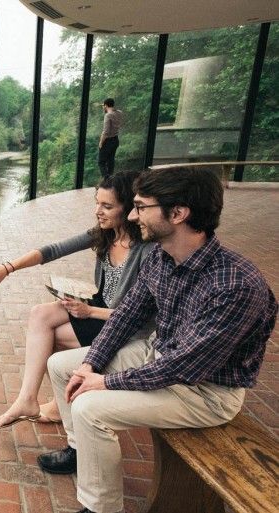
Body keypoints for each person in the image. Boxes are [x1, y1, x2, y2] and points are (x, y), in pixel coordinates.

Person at [39, 167, 277, 513]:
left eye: (140, 206)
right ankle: (80, 451)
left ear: (178, 213)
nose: (133, 216)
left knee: (90, 408)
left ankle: (100, 508)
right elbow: (127, 316)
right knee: (62, 366)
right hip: (157, 357)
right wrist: (90, 364)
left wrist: (105, 382)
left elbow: (184, 367)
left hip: (205, 392)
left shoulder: (235, 286)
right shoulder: (162, 258)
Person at [0, 170, 154, 429]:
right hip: (99, 306)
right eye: (97, 203)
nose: (98, 211)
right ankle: (28, 398)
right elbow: (53, 250)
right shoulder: (105, 234)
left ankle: (66, 400)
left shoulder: (146, 250)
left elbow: (142, 316)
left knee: (53, 337)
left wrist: (89, 312)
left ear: (129, 209)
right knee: (40, 314)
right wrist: (8, 267)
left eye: (107, 206)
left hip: (123, 324)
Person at [98, 98, 122, 177]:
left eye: (103, 106)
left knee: (101, 162)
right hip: (115, 140)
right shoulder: (119, 113)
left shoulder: (108, 115)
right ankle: (111, 180)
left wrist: (101, 143)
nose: (103, 107)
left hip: (108, 141)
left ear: (106, 105)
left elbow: (106, 132)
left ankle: (107, 181)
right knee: (111, 161)